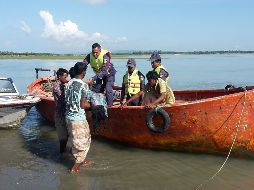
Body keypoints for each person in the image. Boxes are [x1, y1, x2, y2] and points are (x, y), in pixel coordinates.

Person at [65, 62, 91, 173]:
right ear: (84, 72)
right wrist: (94, 106)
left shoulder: (68, 83)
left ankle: (82, 160)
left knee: (75, 140)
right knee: (85, 141)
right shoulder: (84, 85)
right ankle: (75, 167)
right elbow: (83, 105)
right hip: (78, 119)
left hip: (68, 117)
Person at [52, 68, 69, 154]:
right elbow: (62, 97)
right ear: (59, 76)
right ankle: (62, 154)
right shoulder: (56, 85)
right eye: (65, 77)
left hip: (64, 113)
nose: (66, 79)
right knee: (63, 137)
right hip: (60, 115)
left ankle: (63, 152)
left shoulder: (63, 84)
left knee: (66, 136)